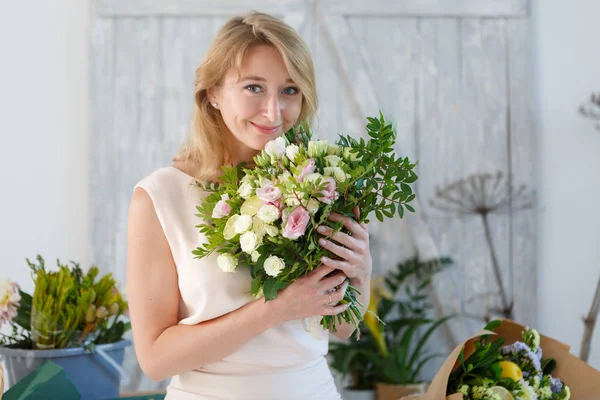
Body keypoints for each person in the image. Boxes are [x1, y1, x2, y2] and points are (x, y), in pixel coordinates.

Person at [126, 11, 372, 400]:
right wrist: (274, 309)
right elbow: (154, 359)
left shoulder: (319, 184)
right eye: (254, 87)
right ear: (213, 93)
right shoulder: (160, 197)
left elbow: (342, 328)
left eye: (290, 90)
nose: (274, 112)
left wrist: (361, 272)